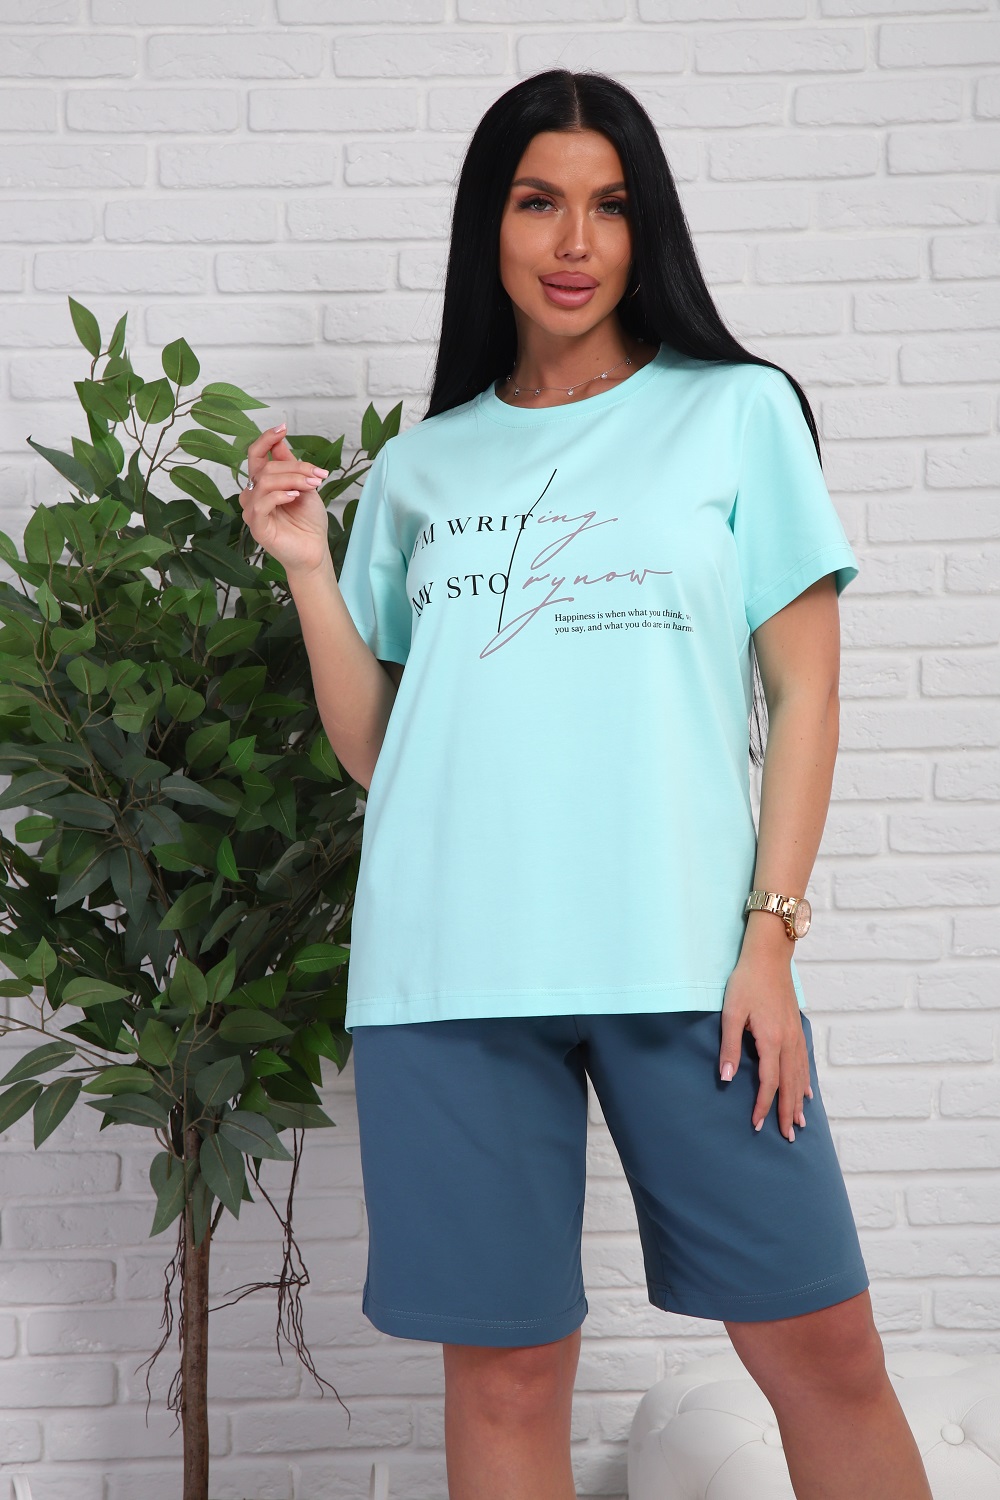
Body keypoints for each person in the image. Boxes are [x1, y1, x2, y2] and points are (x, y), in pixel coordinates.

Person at [239, 67, 932, 1500]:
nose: (574, 242)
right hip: (448, 970)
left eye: (609, 206)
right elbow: (379, 749)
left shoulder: (738, 412)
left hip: (690, 964)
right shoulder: (425, 466)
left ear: (645, 226)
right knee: (502, 1380)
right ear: (487, 227)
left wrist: (770, 939)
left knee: (823, 1349)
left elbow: (805, 691)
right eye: (538, 202)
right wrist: (310, 567)